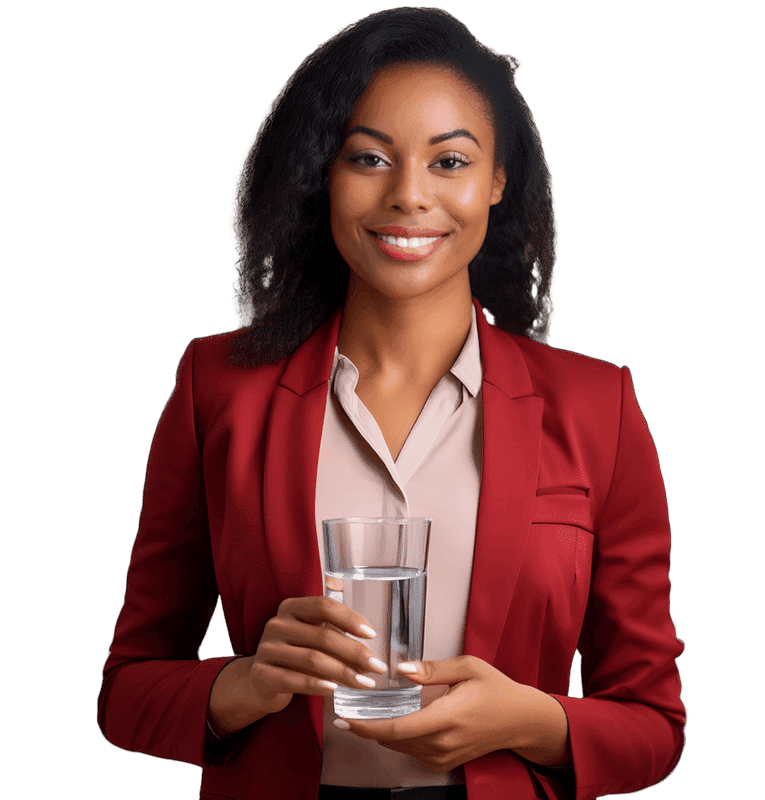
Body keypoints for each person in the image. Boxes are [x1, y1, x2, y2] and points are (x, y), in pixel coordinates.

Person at [98, 7, 685, 800]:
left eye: (450, 162)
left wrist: (526, 720)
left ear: (497, 181)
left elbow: (654, 723)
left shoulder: (596, 406)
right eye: (369, 157)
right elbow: (126, 693)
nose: (409, 196)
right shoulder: (218, 388)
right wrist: (246, 683)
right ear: (321, 176)